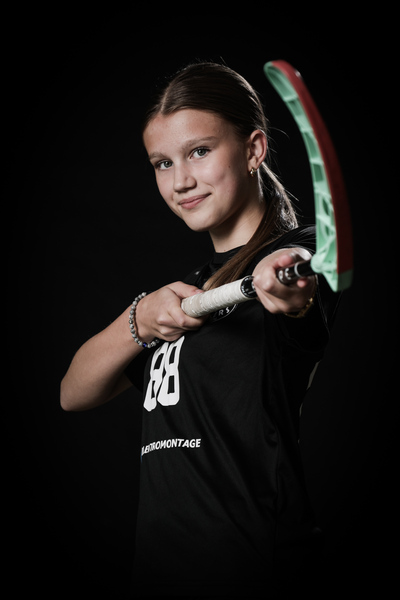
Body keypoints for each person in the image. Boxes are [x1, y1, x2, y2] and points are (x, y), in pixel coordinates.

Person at [61, 62, 339, 597]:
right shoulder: (180, 296)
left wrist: (285, 275)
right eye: (163, 163)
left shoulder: (299, 257)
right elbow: (72, 393)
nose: (180, 181)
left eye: (199, 151)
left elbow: (297, 278)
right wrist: (140, 319)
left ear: (254, 149)